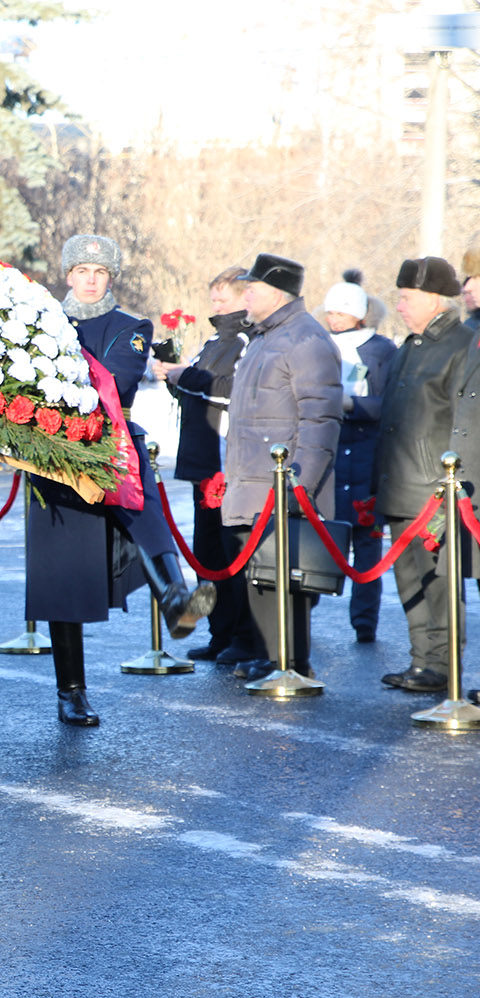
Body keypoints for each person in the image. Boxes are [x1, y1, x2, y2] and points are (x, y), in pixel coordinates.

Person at [29, 235, 214, 727]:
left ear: (111, 278)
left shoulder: (132, 326)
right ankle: (72, 692)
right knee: (60, 573)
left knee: (143, 508)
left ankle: (176, 597)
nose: (91, 280)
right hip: (51, 450)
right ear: (68, 275)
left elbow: (119, 377)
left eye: (100, 272)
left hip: (111, 438)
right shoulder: (35, 319)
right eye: (82, 271)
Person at [222, 253, 342, 681]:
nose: (245, 294)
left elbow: (321, 420)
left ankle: (291, 662)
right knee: (262, 579)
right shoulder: (264, 336)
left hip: (284, 487)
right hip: (252, 485)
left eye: (251, 287)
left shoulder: (305, 340)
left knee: (286, 581)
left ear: (275, 293)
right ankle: (271, 656)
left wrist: (300, 486)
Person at [375, 257, 476, 693]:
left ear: (435, 299)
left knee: (439, 585)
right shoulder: (409, 346)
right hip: (399, 482)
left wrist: (453, 488)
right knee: (408, 581)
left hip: (435, 490)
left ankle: (443, 665)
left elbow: (465, 421)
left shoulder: (463, 345)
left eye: (406, 297)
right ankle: (422, 661)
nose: (398, 306)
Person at [152, 266, 258, 665]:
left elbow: (231, 391)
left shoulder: (246, 340)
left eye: (223, 300)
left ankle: (242, 635)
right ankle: (218, 632)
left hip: (225, 459)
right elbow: (194, 390)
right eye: (213, 299)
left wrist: (187, 376)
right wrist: (172, 374)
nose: (215, 306)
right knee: (206, 553)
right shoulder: (214, 340)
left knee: (232, 554)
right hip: (202, 461)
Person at [320, 269, 396, 645]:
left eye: (340, 312)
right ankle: (303, 611)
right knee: (323, 539)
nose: (332, 319)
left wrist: (354, 404)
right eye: (329, 312)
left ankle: (365, 622)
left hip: (367, 455)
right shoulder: (320, 343)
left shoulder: (381, 350)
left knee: (367, 544)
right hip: (332, 453)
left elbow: (392, 403)